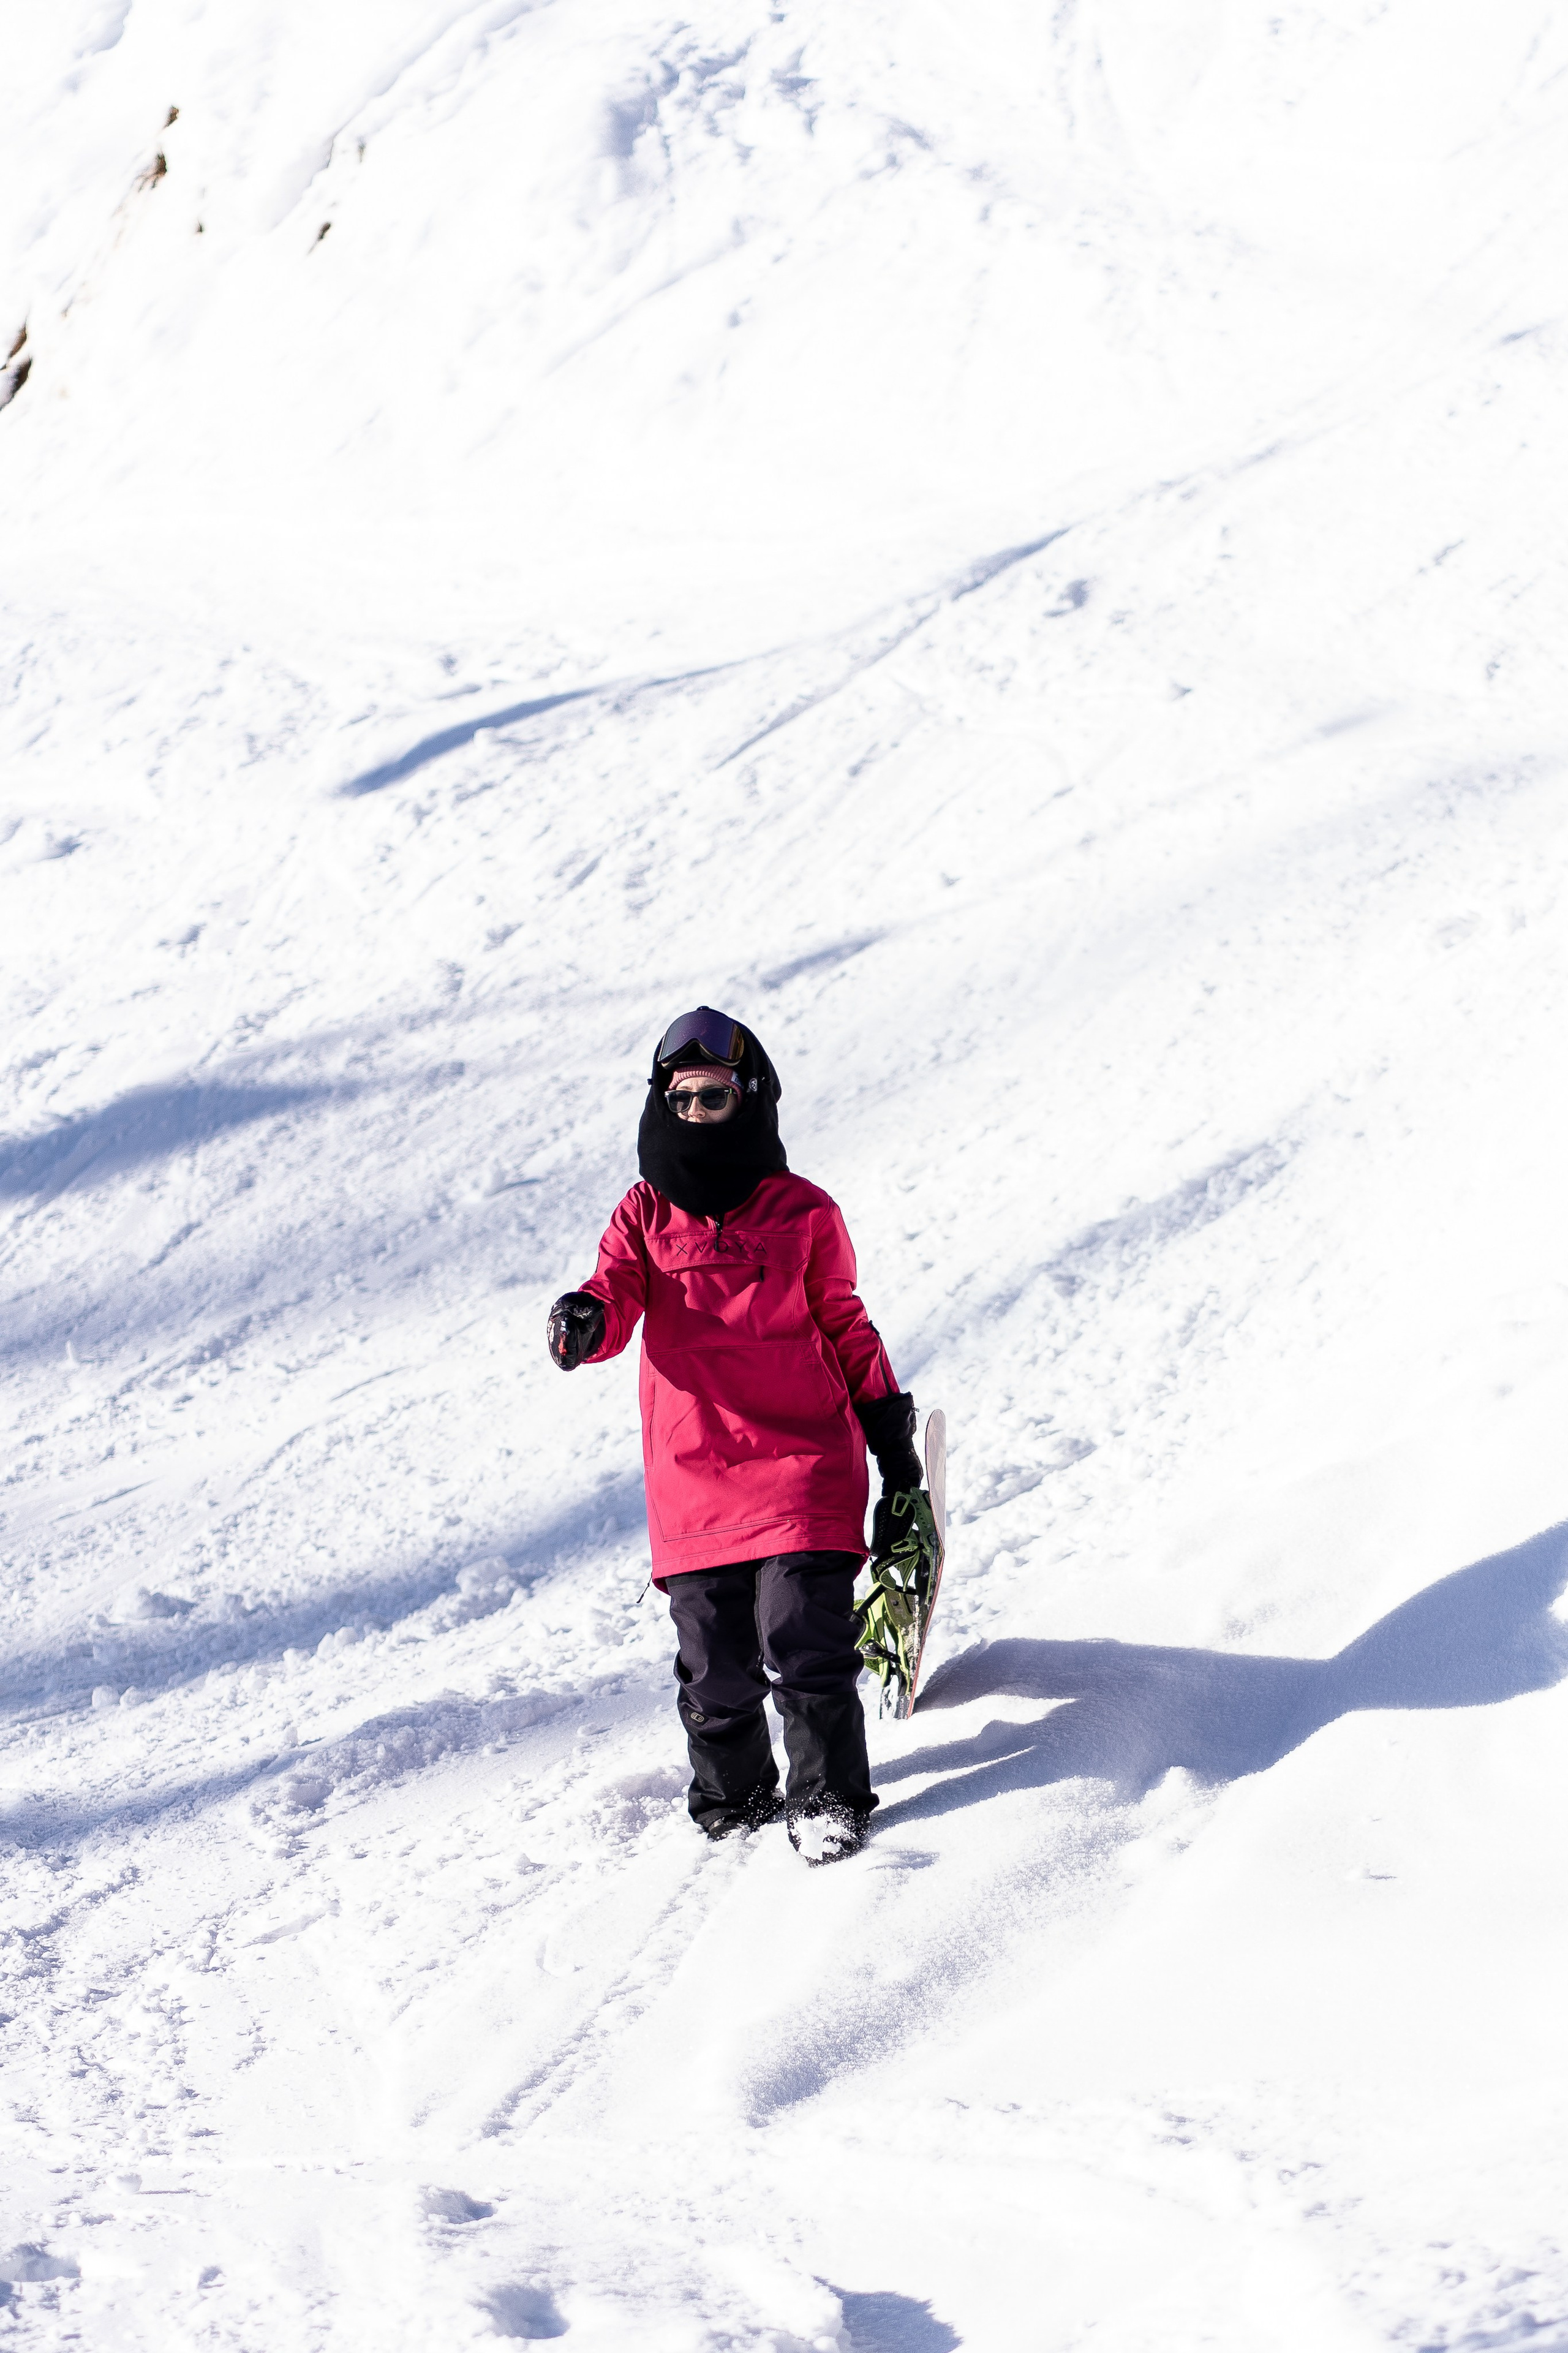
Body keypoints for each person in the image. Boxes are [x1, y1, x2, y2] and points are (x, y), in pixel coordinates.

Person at [546, 1006, 925, 1865]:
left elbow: (844, 1321)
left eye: (712, 1097)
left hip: (802, 1461)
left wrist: (891, 1440)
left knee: (800, 1635)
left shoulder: (803, 1212)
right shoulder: (644, 1215)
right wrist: (583, 1321)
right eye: (679, 1100)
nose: (695, 1116)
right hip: (695, 1475)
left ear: (750, 1098)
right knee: (714, 1667)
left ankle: (827, 1799)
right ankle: (735, 1799)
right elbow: (612, 1296)